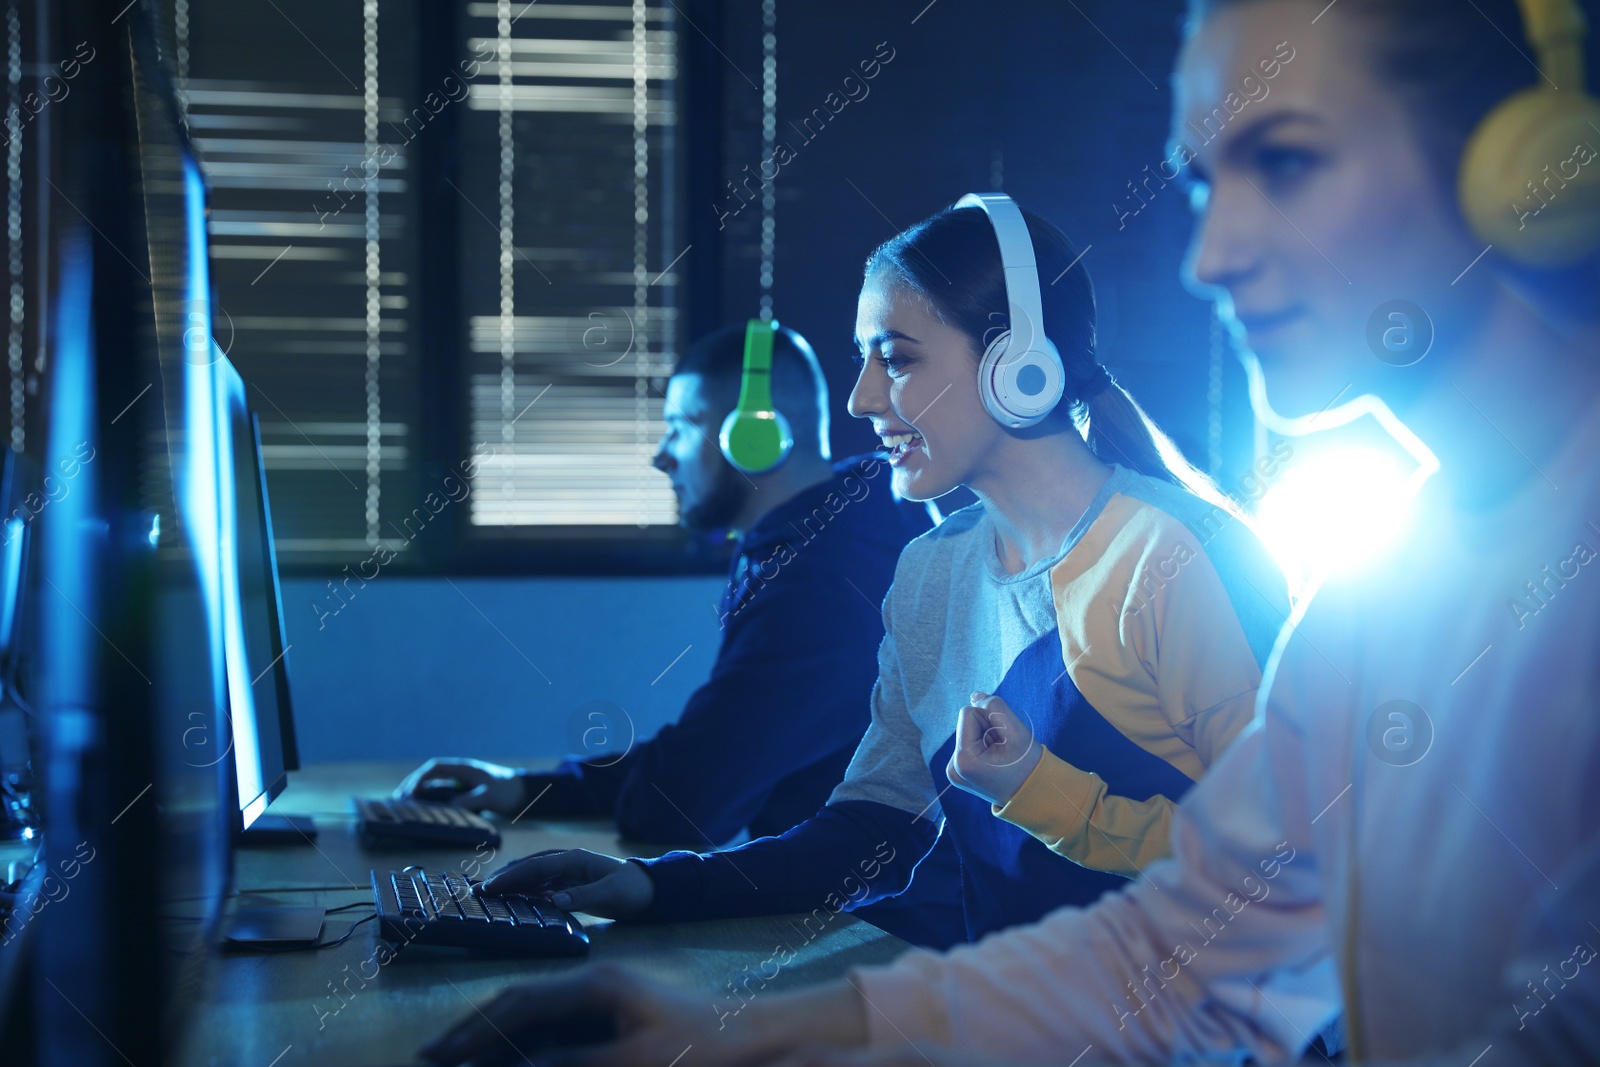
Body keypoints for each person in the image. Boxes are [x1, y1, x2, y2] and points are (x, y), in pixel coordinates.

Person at [417, 1, 1600, 1064]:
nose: (1209, 256)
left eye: (1284, 159)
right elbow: (1189, 945)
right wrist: (750, 1023)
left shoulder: (1217, 563)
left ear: (1530, 166)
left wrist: (1037, 793)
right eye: (1200, 185)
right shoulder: (1379, 603)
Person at [419, 195, 1288, 964]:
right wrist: (651, 887)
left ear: (1016, 364)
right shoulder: (933, 570)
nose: (861, 398)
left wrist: (1040, 791)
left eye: (897, 358)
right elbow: (872, 826)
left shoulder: (1182, 559)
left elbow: (1283, 858)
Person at [395, 323, 931, 849]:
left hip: (876, 925)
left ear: (754, 435)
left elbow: (682, 808)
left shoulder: (820, 583)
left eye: (681, 424)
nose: (661, 455)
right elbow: (712, 749)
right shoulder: (840, 534)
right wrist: (527, 790)